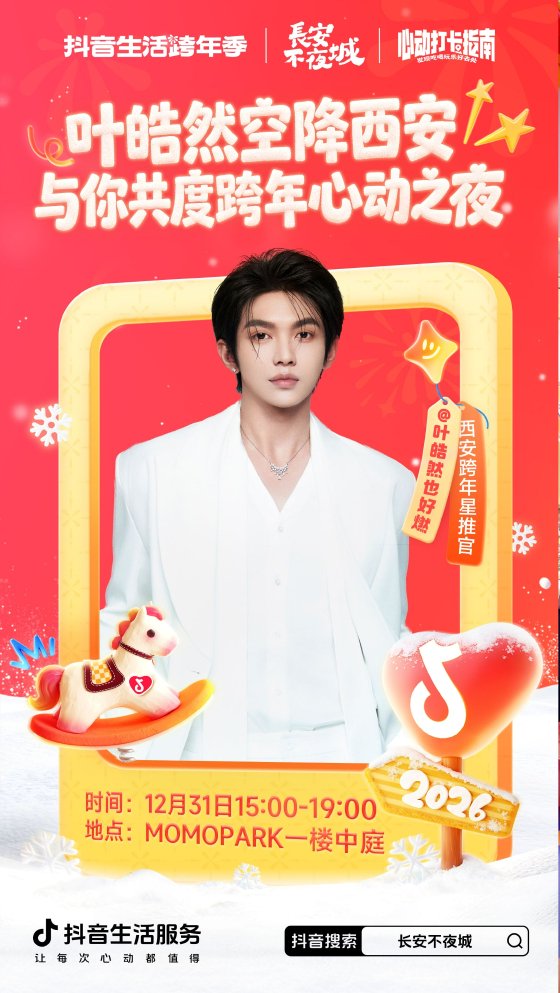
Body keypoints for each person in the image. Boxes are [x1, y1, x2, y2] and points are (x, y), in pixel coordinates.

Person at [102, 249, 412, 763]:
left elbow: (388, 628)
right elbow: (124, 617)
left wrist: (398, 743)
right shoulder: (150, 470)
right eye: (261, 336)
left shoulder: (386, 483)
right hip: (200, 752)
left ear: (330, 350)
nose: (284, 355)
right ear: (228, 353)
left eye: (305, 334)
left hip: (346, 756)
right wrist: (125, 739)